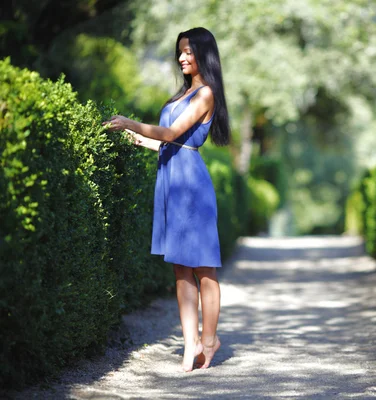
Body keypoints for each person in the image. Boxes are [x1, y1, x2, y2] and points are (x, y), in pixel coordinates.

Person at [103, 27, 230, 372]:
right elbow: (164, 143)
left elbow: (173, 134)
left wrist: (132, 120)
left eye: (188, 51)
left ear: (203, 53)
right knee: (180, 269)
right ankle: (190, 345)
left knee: (203, 268)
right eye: (179, 52)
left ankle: (209, 340)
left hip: (191, 185)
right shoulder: (180, 96)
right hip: (171, 180)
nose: (182, 57)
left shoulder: (205, 94)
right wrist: (132, 136)